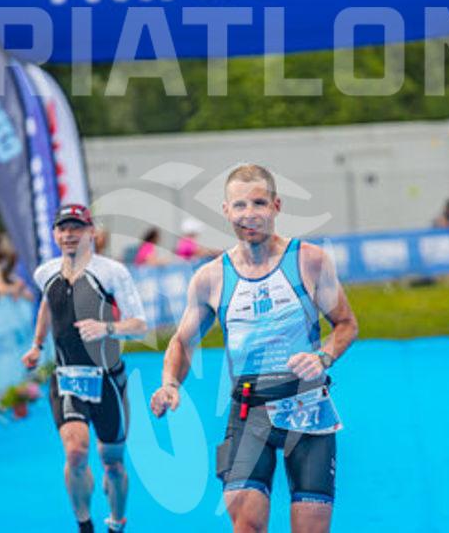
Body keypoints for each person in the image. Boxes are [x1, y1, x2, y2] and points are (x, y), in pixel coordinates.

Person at [150, 165, 358, 533]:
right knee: (247, 524)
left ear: (276, 206)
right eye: (240, 205)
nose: (250, 214)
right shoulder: (210, 278)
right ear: (226, 210)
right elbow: (182, 341)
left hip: (307, 407)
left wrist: (323, 356)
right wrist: (170, 383)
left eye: (259, 203)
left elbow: (346, 324)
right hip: (249, 412)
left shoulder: (309, 261)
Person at [21, 204, 147, 533]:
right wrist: (37, 345)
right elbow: (48, 305)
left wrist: (107, 328)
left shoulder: (112, 273)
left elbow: (140, 325)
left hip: (108, 381)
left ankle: (116, 523)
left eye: (76, 228)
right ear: (54, 234)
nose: (69, 235)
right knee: (76, 453)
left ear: (91, 232)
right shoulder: (45, 273)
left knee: (113, 463)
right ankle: (85, 525)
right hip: (67, 379)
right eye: (63, 229)